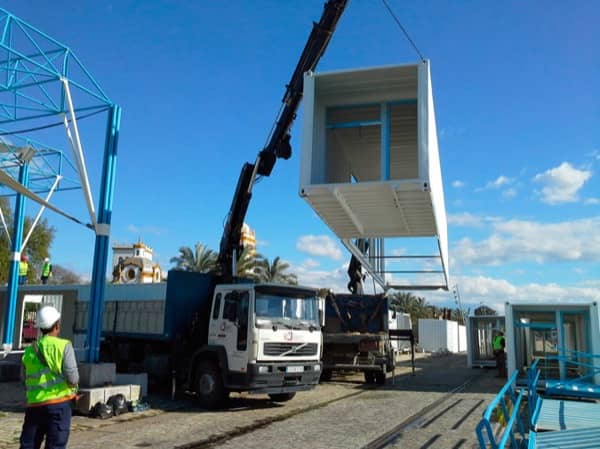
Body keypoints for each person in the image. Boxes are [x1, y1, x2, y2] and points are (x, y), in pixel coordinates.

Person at [20, 305, 79, 449]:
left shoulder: (29, 350)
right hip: (59, 406)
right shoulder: (64, 346)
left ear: (40, 327)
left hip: (34, 406)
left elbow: (24, 379)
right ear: (57, 325)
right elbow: (73, 378)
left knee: (28, 446)